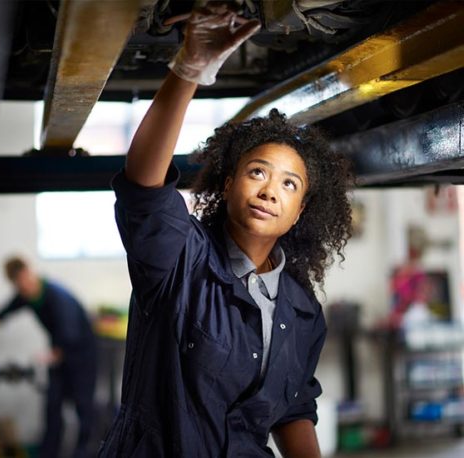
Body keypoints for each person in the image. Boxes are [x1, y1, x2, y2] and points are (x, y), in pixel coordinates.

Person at [99, 3, 353, 457]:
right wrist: (190, 68)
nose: (270, 190)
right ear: (229, 183)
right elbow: (143, 184)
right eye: (258, 173)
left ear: (299, 212)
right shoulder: (180, 257)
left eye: (288, 184)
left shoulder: (301, 311)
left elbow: (293, 410)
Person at [0, 256, 97, 458]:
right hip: (58, 354)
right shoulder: (25, 295)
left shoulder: (57, 297)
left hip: (81, 355)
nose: (25, 287)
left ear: (30, 273)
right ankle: (48, 453)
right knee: (52, 406)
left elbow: (70, 336)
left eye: (27, 280)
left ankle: (84, 453)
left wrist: (46, 358)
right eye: (20, 285)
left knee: (83, 406)